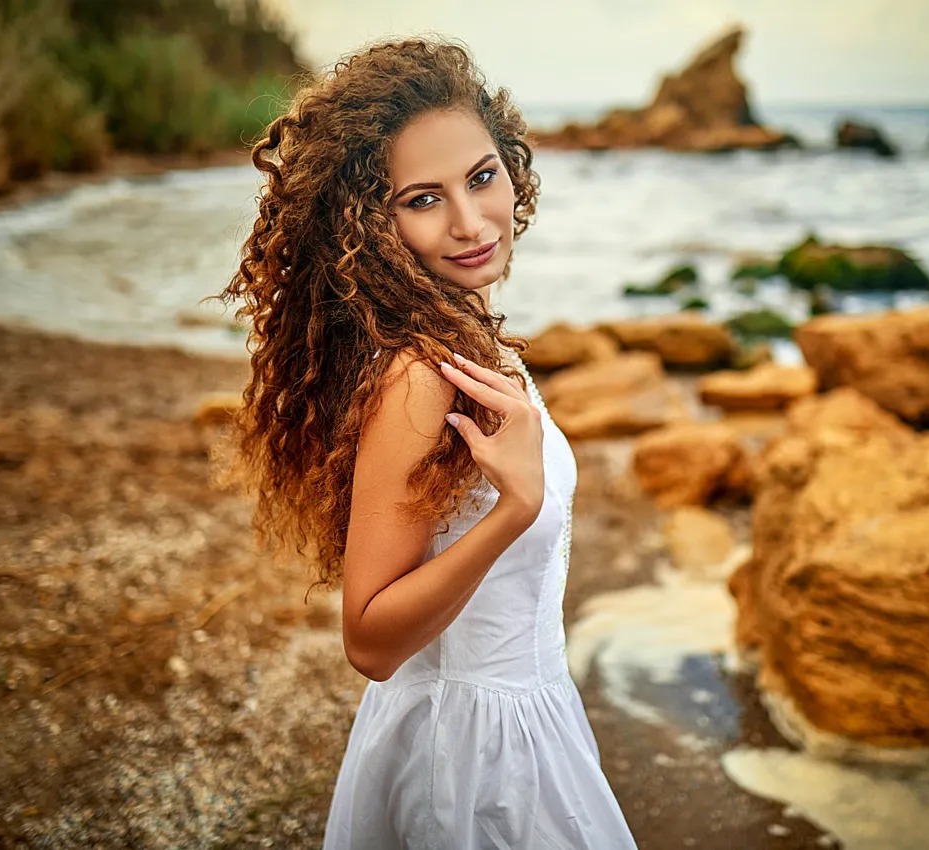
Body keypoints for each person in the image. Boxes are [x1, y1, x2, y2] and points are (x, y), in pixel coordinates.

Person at [214, 37, 638, 849]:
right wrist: (514, 510)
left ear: (513, 168)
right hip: (474, 760)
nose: (471, 223)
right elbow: (370, 640)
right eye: (422, 199)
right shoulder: (420, 377)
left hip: (521, 721)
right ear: (369, 222)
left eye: (482, 177)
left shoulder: (467, 335)